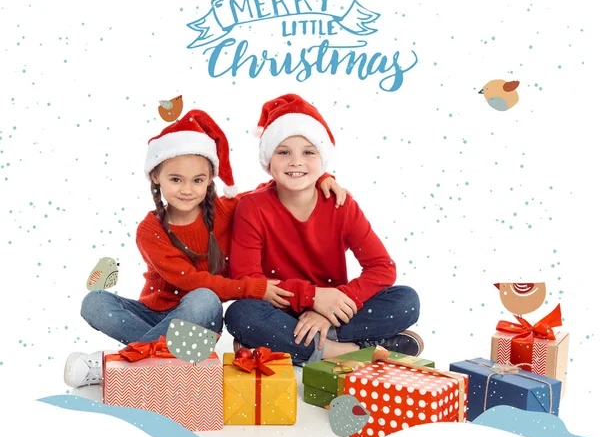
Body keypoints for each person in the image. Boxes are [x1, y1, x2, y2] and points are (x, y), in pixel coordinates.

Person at [63, 108, 344, 388]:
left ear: (210, 180)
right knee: (95, 301)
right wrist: (253, 288)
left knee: (204, 299)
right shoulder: (150, 230)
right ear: (156, 178)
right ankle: (171, 359)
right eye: (176, 179)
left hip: (200, 319)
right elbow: (189, 279)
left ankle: (118, 365)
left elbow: (275, 187)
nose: (187, 189)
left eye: (197, 180)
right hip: (155, 315)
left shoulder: (227, 210)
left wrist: (320, 177)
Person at [225, 94, 422, 366]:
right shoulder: (253, 207)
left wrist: (329, 311)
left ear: (323, 159)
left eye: (308, 152)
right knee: (240, 314)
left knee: (406, 300)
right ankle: (349, 351)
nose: (296, 161)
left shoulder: (341, 204)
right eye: (283, 152)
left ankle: (307, 343)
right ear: (268, 161)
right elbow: (247, 279)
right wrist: (312, 297)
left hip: (335, 310)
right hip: (280, 310)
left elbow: (382, 267)